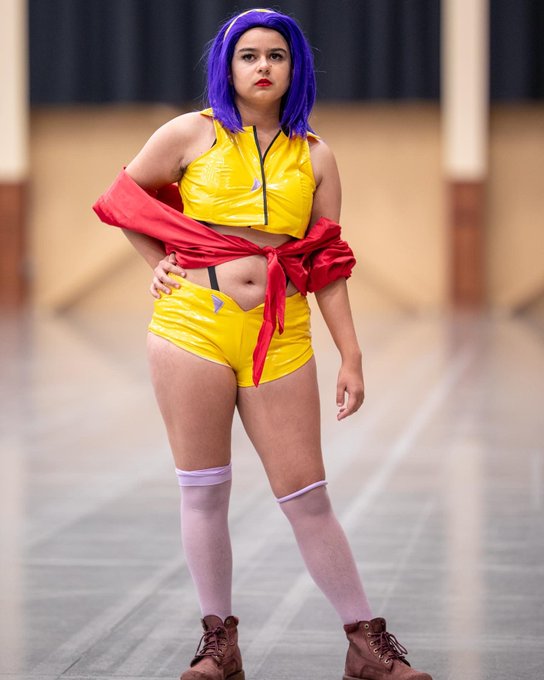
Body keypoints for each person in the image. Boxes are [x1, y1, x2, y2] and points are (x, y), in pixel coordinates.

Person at [94, 8, 433, 680]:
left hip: (281, 330)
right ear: (228, 67)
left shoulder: (316, 155)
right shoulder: (189, 133)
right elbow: (122, 199)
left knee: (306, 494)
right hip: (192, 323)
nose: (262, 67)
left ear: (294, 67)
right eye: (248, 55)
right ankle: (218, 644)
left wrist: (352, 356)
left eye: (276, 55)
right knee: (204, 490)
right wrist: (156, 261)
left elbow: (327, 264)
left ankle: (366, 645)